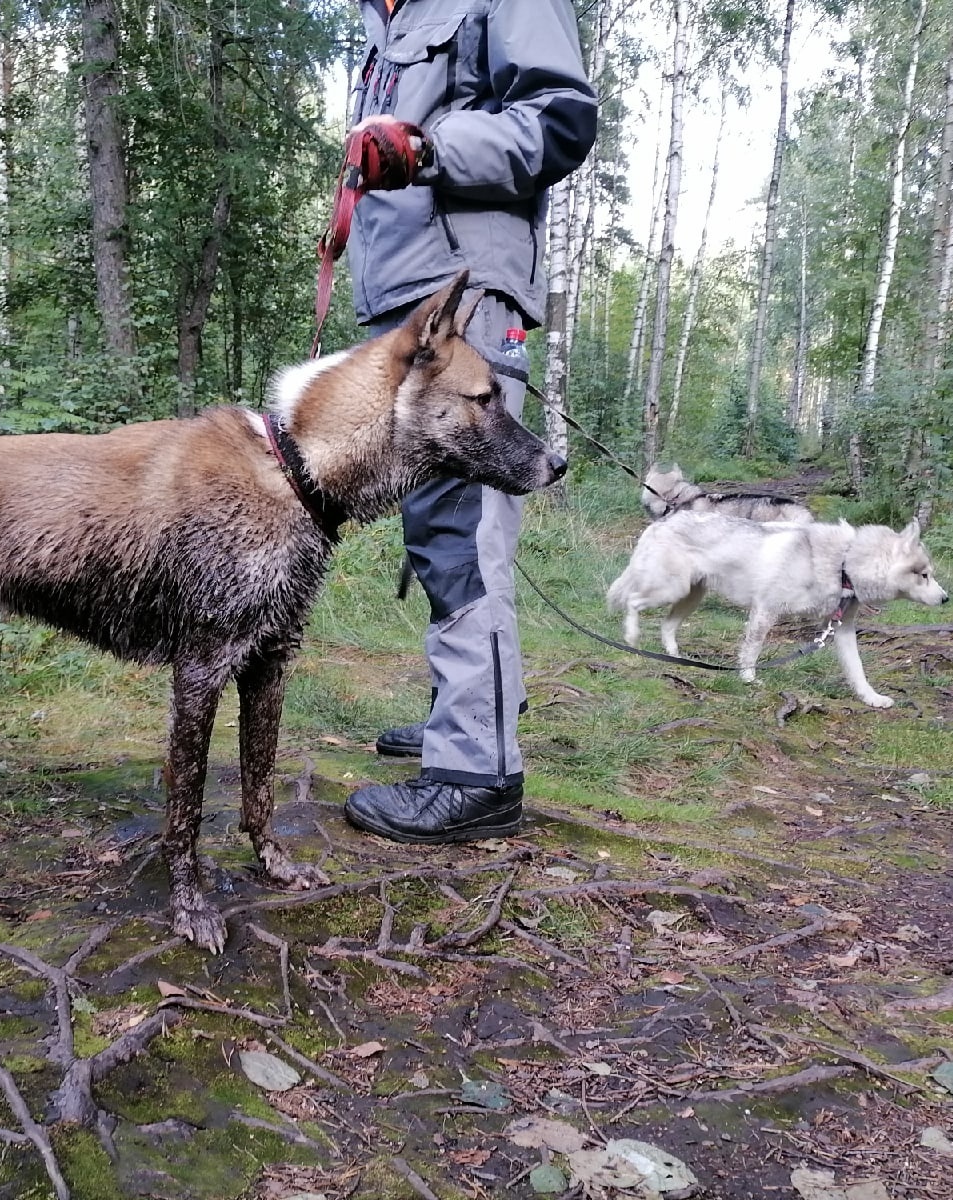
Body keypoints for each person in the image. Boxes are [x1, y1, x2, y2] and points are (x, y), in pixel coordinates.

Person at [339, 0, 598, 844]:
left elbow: (560, 122)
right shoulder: (388, 22)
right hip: (409, 304)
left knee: (461, 527)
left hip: (467, 293)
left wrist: (426, 151)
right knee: (434, 522)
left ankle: (477, 772)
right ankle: (471, 713)